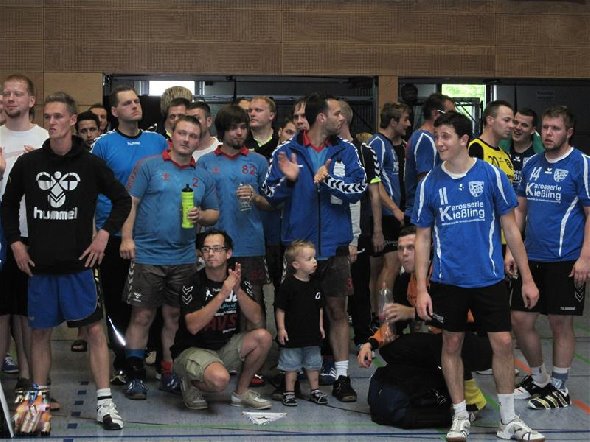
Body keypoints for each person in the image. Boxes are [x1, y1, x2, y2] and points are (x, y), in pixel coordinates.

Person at [1, 92, 131, 431]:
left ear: (73, 120)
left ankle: (105, 403)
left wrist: (104, 235)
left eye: (58, 116)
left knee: (94, 331)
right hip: (39, 266)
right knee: (39, 334)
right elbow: (8, 204)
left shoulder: (90, 163)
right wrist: (15, 243)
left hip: (79, 266)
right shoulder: (29, 163)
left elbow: (122, 200)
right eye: (48, 117)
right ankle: (36, 411)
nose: (52, 122)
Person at [412, 111, 544, 441]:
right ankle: (460, 415)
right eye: (437, 136)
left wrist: (527, 278)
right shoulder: (429, 183)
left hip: (489, 278)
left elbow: (511, 229)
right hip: (447, 280)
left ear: (463, 140)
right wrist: (422, 288)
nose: (439, 143)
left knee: (503, 343)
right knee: (451, 342)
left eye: (445, 136)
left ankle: (508, 420)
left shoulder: (490, 175)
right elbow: (423, 238)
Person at [262, 93, 366, 402]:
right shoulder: (286, 150)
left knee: (337, 311)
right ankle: (290, 376)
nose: (342, 118)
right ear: (321, 117)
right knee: (294, 312)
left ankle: (342, 377)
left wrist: (328, 182)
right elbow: (268, 194)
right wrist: (289, 181)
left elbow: (358, 189)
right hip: (298, 249)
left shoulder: (346, 150)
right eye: (336, 113)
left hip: (334, 247)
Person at [119, 115, 219, 400]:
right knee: (142, 315)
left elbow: (214, 213)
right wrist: (127, 238)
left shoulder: (203, 176)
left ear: (199, 141)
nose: (187, 139)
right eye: (182, 133)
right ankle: (135, 374)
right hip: (148, 255)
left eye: (193, 136)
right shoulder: (149, 166)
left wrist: (202, 216)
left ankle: (169, 372)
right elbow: (131, 203)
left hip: (184, 258)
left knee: (174, 316)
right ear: (171, 135)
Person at [507, 105, 590, 410]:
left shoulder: (582, 164)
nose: (549, 133)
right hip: (531, 257)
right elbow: (520, 210)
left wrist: (585, 257)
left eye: (556, 128)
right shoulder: (532, 164)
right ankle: (539, 378)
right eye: (545, 127)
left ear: (569, 132)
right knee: (520, 319)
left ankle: (560, 386)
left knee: (559, 322)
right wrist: (512, 249)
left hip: (565, 258)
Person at [357, 226, 490, 416]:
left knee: (447, 340)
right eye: (400, 248)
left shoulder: (444, 274)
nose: (404, 254)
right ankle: (440, 388)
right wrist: (370, 344)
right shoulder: (404, 281)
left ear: (427, 248)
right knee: (392, 348)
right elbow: (393, 327)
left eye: (411, 248)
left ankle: (472, 399)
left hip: (480, 342)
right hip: (445, 342)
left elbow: (456, 319)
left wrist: (412, 312)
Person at [91, 85, 168, 385]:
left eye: (137, 101)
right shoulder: (103, 145)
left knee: (151, 300)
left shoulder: (158, 141)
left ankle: (149, 355)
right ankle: (122, 360)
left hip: (150, 234)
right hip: (113, 233)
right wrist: (97, 232)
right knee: (117, 299)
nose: (135, 106)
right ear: (114, 111)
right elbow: (92, 190)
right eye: (127, 103)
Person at [171, 230, 273, 410]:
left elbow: (257, 318)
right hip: (192, 349)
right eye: (206, 249)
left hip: (224, 347)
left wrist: (238, 290)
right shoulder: (192, 283)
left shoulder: (237, 279)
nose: (211, 253)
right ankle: (189, 383)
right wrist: (223, 293)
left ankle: (241, 392)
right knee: (220, 380)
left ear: (228, 253)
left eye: (217, 249)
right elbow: (193, 326)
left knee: (263, 337)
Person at [197, 105, 272, 330]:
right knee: (218, 303)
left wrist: (255, 197)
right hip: (216, 245)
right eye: (232, 128)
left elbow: (272, 204)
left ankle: (256, 349)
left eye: (242, 127)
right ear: (222, 131)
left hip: (250, 244)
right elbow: (197, 206)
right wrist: (195, 244)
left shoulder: (258, 161)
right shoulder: (205, 162)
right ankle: (223, 349)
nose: (239, 133)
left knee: (253, 302)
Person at [0, 74, 48, 392]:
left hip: (35, 235)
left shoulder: (45, 139)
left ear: (31, 100)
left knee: (28, 313)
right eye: (6, 93)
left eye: (17, 94)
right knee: (3, 310)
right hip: (2, 238)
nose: (10, 98)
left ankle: (30, 379)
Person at [367, 102, 410, 324]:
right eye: (405, 120)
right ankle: (384, 318)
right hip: (385, 215)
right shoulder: (377, 143)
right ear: (393, 122)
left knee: (380, 268)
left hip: (391, 214)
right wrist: (393, 209)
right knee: (390, 266)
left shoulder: (395, 145)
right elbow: (374, 183)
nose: (408, 124)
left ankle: (377, 315)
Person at [276, 240, 328, 406]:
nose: (314, 261)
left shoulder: (316, 284)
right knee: (291, 365)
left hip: (312, 335)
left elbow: (320, 307)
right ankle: (289, 392)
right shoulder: (288, 285)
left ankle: (315, 390)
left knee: (313, 364)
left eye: (314, 258)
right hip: (293, 334)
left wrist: (320, 326)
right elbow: (280, 309)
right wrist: (281, 329)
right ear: (296, 264)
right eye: (309, 259)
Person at [404, 93, 446, 224]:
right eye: (450, 114)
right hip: (423, 213)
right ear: (436, 114)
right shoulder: (425, 139)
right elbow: (425, 181)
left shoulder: (428, 138)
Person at [468, 100, 515, 182]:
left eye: (513, 121)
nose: (512, 126)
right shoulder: (475, 148)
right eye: (506, 120)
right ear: (490, 120)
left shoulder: (506, 155)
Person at [499, 108, 542, 191]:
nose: (518, 127)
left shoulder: (540, 155)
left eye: (524, 125)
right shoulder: (499, 149)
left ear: (533, 130)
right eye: (515, 122)